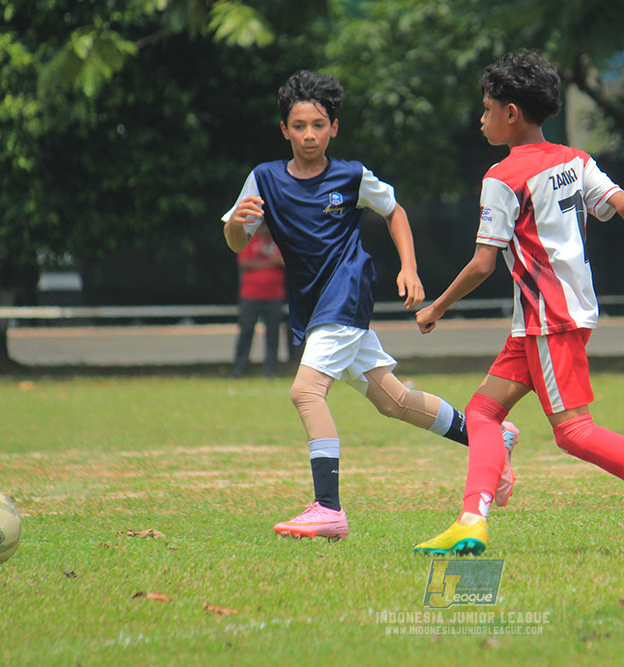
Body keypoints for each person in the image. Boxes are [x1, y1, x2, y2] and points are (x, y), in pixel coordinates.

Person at [412, 51, 624, 556]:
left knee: (574, 432)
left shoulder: (502, 177)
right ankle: (471, 520)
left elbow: (481, 265)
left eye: (487, 107)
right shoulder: (573, 160)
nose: (482, 117)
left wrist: (437, 307)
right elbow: (623, 203)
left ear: (511, 113)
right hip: (550, 319)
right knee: (480, 412)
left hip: (548, 319)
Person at [222, 70, 518, 541]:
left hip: (346, 292)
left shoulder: (352, 175)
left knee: (305, 391)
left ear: (334, 128)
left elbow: (394, 211)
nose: (309, 134)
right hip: (314, 303)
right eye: (298, 126)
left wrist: (409, 267)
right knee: (393, 400)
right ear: (284, 130)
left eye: (318, 125)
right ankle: (491, 438)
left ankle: (327, 508)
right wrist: (239, 223)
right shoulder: (263, 178)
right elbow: (237, 241)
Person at [232, 222, 286, 378]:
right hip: (250, 295)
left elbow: (284, 262)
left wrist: (270, 257)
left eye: (266, 225)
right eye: (262, 226)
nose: (264, 229)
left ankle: (271, 371)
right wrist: (269, 263)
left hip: (274, 295)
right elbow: (244, 263)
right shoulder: (250, 241)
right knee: (246, 332)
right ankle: (239, 369)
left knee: (273, 334)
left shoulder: (278, 243)